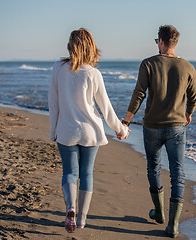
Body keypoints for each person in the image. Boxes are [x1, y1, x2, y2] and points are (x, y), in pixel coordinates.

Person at [121, 25, 196, 238]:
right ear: (176, 43)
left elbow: (139, 94)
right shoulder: (187, 67)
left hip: (152, 126)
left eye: (157, 40)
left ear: (161, 42)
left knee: (154, 167)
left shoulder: (148, 63)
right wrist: (188, 114)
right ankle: (172, 225)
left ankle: (159, 213)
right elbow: (194, 97)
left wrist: (126, 121)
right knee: (177, 172)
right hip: (176, 127)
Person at [48, 28, 129, 233]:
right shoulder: (94, 73)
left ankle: (70, 208)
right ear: (91, 47)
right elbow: (106, 108)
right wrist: (121, 129)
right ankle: (82, 219)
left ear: (70, 46)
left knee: (69, 172)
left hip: (66, 130)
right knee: (86, 173)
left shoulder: (58, 68)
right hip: (90, 132)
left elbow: (53, 103)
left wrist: (52, 131)